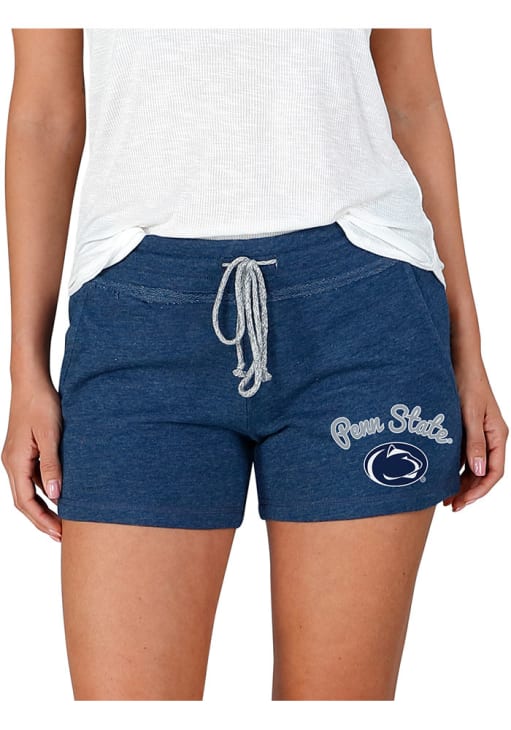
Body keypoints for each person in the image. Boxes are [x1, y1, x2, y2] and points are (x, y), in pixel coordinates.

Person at [1, 28, 507, 701]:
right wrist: (25, 371)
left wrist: (467, 352)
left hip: (362, 311)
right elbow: (44, 116)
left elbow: (411, 100)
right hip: (137, 321)